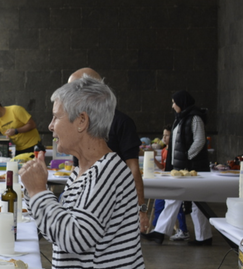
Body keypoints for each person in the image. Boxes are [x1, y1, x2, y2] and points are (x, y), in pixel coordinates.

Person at [19, 75, 151, 269]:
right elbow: (59, 226)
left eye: (55, 116)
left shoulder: (106, 172)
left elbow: (76, 238)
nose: (50, 125)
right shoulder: (84, 170)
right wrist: (32, 193)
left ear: (82, 121)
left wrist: (38, 193)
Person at [68, 68, 149, 233]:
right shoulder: (76, 122)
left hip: (114, 201)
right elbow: (76, 168)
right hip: (85, 202)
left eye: (73, 89)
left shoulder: (122, 122)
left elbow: (133, 168)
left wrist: (141, 209)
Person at [143, 91, 212, 246]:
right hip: (181, 166)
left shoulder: (195, 118)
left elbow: (200, 140)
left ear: (182, 103)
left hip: (193, 166)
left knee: (197, 202)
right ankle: (160, 232)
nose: (172, 105)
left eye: (174, 102)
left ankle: (204, 237)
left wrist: (187, 157)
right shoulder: (180, 119)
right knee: (172, 198)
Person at [151, 125, 189, 240]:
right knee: (158, 204)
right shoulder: (163, 151)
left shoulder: (174, 152)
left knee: (177, 208)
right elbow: (163, 167)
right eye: (163, 135)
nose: (164, 138)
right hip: (165, 180)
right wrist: (154, 159)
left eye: (167, 135)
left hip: (172, 181)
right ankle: (158, 228)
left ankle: (183, 229)